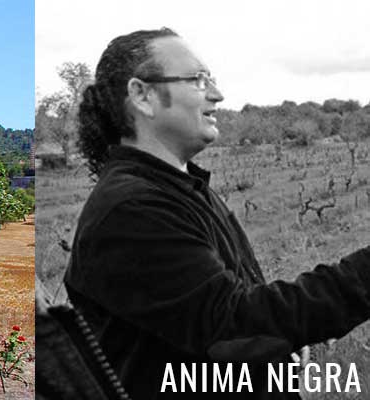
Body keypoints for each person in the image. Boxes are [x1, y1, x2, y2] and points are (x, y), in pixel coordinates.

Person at [63, 27, 370, 399]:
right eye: (197, 80)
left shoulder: (179, 187)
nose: (217, 94)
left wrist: (276, 348)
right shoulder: (132, 210)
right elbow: (233, 328)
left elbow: (222, 317)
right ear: (141, 95)